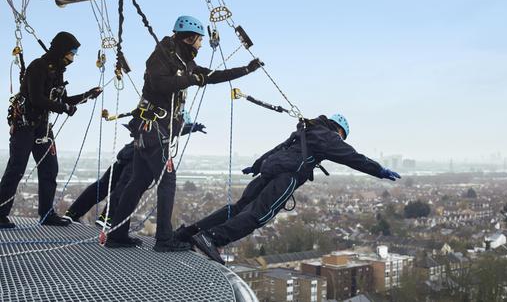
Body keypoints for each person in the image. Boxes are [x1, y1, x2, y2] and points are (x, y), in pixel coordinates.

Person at [105, 16, 263, 252]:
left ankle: (117, 234)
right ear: (189, 38)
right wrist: (190, 79)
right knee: (166, 181)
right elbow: (159, 84)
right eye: (199, 40)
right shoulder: (163, 55)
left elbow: (211, 76)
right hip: (153, 129)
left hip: (150, 130)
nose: (201, 45)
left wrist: (245, 70)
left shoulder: (183, 61)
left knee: (138, 182)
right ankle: (164, 240)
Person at [175, 114, 401, 264]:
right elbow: (352, 157)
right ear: (339, 131)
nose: (340, 141)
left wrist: (257, 165)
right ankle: (212, 239)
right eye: (342, 137)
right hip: (287, 176)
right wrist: (378, 170)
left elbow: (278, 148)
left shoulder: (306, 130)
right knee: (257, 216)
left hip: (269, 170)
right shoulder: (329, 137)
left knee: (237, 209)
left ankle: (190, 233)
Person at [0, 31, 102, 229]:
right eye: (71, 53)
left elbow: (62, 100)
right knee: (16, 169)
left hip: (42, 128)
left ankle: (46, 214)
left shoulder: (57, 70)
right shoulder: (38, 67)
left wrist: (87, 95)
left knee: (49, 169)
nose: (72, 58)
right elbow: (37, 98)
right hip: (25, 126)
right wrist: (63, 108)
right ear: (61, 50)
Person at [63, 122, 206, 228]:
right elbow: (170, 129)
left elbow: (170, 129)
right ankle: (107, 217)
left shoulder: (152, 107)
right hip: (138, 156)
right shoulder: (164, 109)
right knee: (124, 187)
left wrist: (190, 128)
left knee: (105, 184)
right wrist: (190, 128)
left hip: (128, 152)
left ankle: (73, 213)